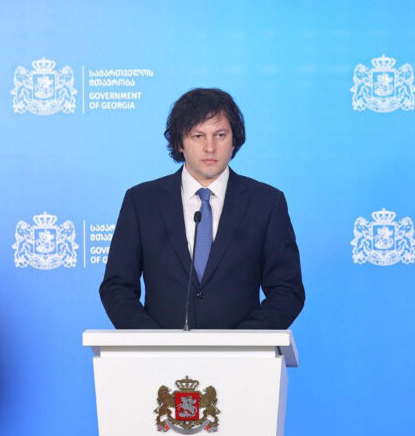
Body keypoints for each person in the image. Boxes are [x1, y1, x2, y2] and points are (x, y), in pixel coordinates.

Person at [100, 88, 304, 330]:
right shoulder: (142, 201)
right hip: (159, 352)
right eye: (198, 136)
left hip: (242, 353)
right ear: (179, 143)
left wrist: (242, 342)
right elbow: (117, 287)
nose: (210, 147)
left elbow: (287, 290)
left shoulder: (266, 203)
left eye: (220, 135)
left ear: (234, 141)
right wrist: (153, 342)